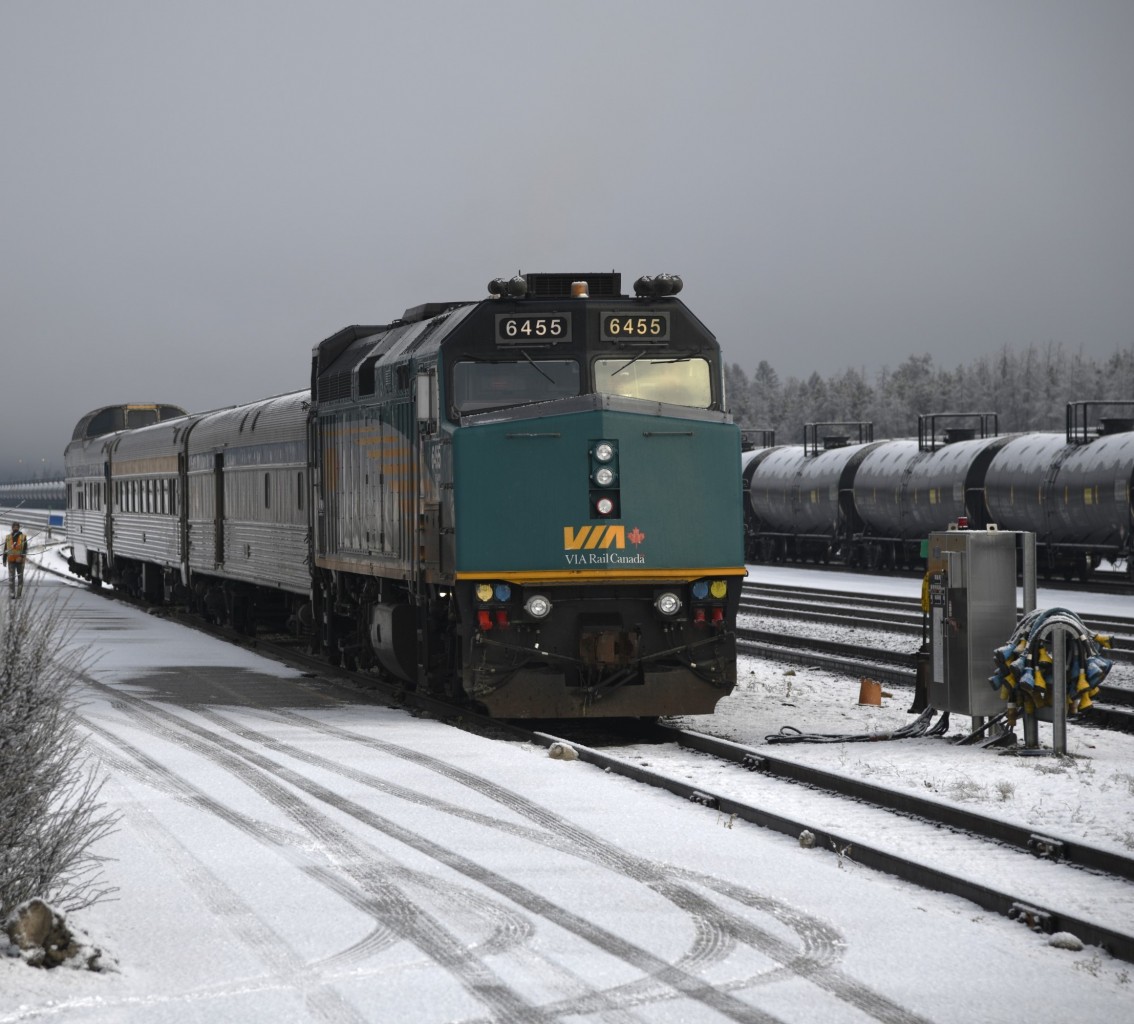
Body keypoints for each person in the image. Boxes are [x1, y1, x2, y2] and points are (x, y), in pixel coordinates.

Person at [3, 521, 28, 599]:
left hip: (20, 561)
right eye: (14, 527)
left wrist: (21, 557)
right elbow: (6, 549)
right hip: (11, 561)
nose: (15, 528)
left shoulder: (23, 537)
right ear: (12, 528)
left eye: (17, 527)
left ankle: (19, 594)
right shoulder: (8, 537)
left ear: (19, 527)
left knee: (20, 578)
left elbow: (25, 549)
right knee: (11, 578)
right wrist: (4, 559)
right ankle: (12, 594)